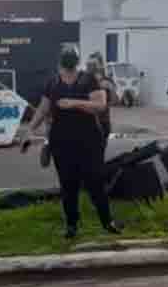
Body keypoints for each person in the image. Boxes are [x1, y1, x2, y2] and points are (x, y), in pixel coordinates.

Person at [24, 48, 124, 239]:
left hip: (89, 140)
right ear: (61, 63)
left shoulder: (88, 79)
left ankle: (107, 221)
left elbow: (100, 105)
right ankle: (72, 225)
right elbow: (43, 109)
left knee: (95, 182)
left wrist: (74, 103)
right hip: (61, 142)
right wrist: (29, 130)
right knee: (68, 184)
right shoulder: (52, 82)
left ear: (75, 63)